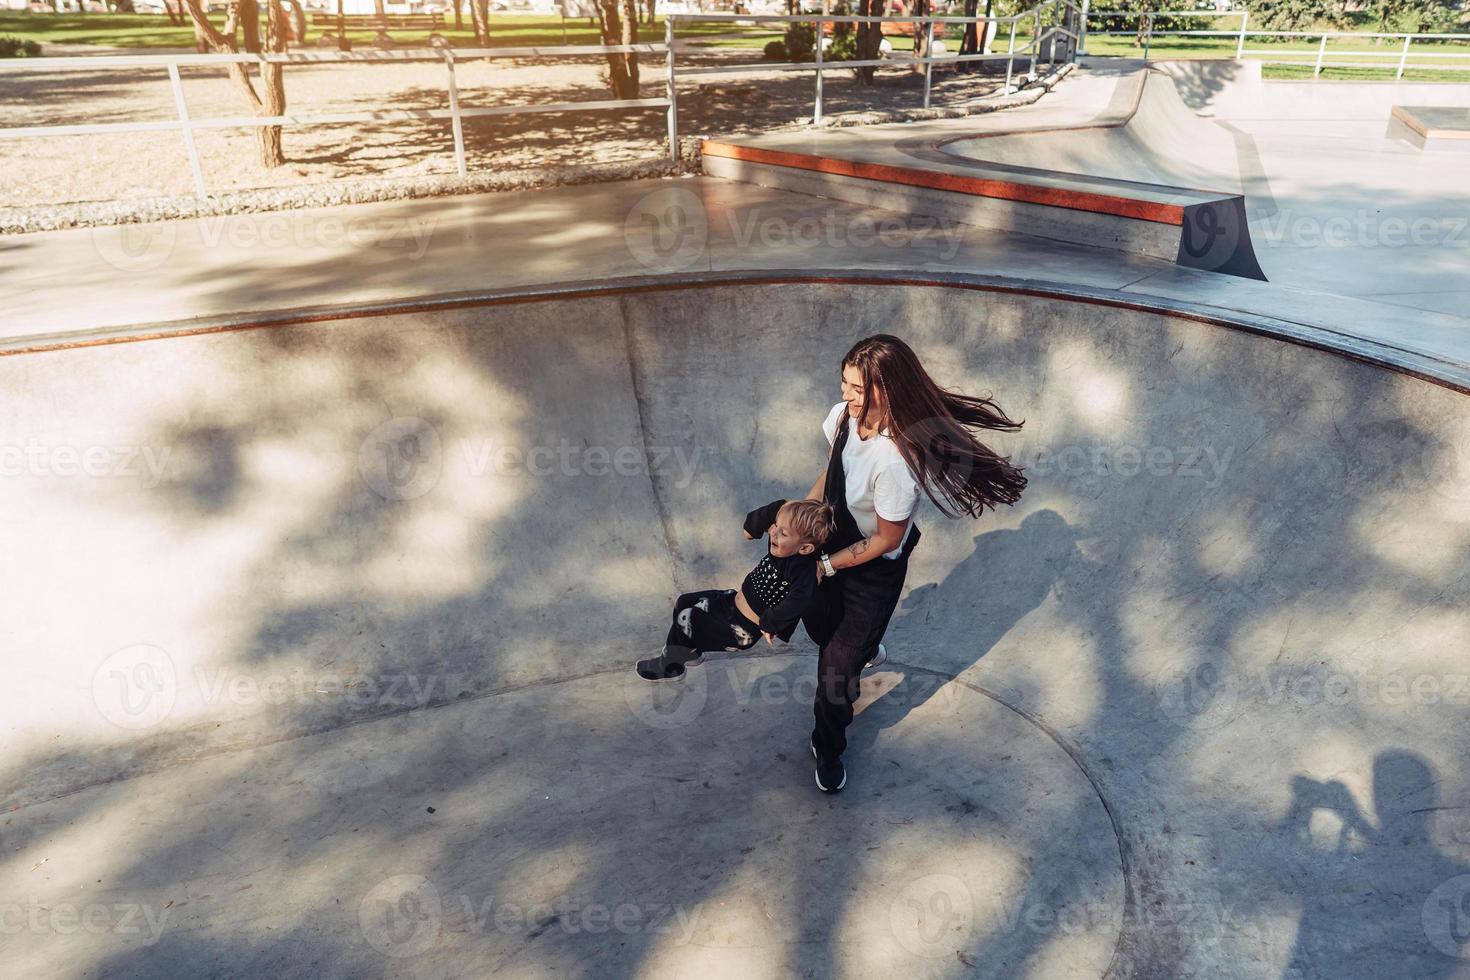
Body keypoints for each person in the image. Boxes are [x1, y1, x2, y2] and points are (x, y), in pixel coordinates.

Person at [805, 334, 1027, 793]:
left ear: (887, 390)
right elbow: (834, 470)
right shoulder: (842, 416)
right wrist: (803, 517)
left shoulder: (898, 457)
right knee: (820, 627)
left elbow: (886, 537)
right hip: (834, 540)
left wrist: (827, 566)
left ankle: (827, 745)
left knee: (834, 667)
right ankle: (866, 649)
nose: (846, 394)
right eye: (844, 382)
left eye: (858, 388)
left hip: (872, 567)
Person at [636, 498, 835, 681]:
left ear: (805, 548)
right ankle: (689, 652)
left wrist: (769, 624)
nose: (773, 533)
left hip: (740, 629)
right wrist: (780, 507)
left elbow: (798, 601)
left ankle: (670, 666)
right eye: (776, 525)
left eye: (783, 533)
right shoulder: (782, 546)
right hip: (729, 603)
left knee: (687, 617)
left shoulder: (802, 570)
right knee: (684, 602)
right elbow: (751, 526)